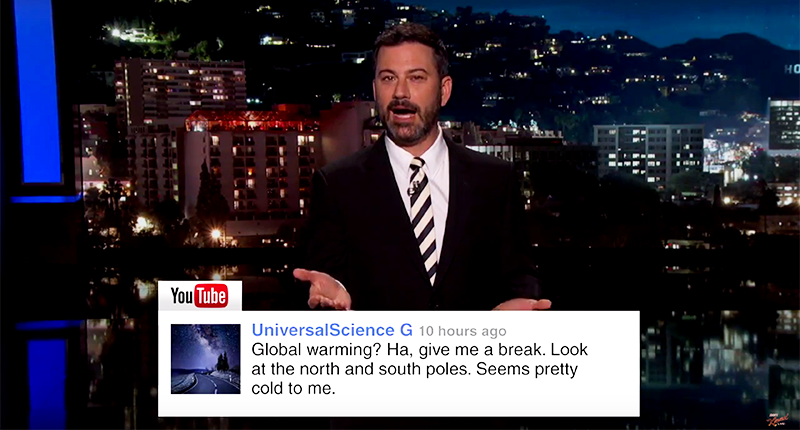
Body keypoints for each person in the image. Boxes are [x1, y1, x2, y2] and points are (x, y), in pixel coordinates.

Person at [294, 22, 551, 312]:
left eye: (416, 78)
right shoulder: (337, 185)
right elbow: (320, 283)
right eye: (388, 78)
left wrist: (519, 302)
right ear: (375, 89)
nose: (400, 93)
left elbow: (520, 275)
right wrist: (331, 302)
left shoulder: (496, 180)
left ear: (444, 90)